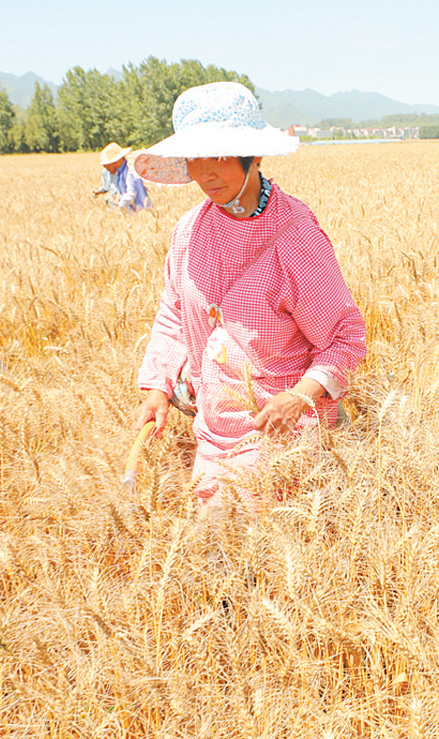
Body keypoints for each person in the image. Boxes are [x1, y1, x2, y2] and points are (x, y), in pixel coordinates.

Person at [131, 82, 367, 504]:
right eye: (195, 158)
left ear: (254, 154)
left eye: (220, 155)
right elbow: (173, 314)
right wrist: (159, 388)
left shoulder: (295, 237)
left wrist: (297, 397)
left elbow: (343, 339)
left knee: (232, 533)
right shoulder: (189, 231)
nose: (205, 173)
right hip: (213, 425)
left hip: (281, 431)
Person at [92, 142, 151, 211]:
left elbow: (132, 193)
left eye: (108, 164)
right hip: (132, 212)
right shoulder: (121, 172)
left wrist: (119, 207)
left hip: (139, 211)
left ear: (115, 161)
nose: (107, 168)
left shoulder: (129, 170)